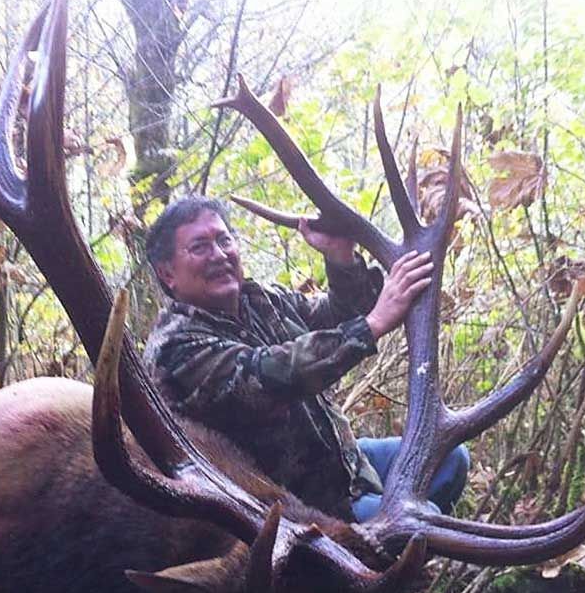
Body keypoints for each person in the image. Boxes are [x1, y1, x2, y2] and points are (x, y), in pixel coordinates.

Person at [142, 195, 468, 521]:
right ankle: (365, 558)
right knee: (422, 522)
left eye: (224, 239)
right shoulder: (174, 347)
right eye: (200, 247)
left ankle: (389, 551)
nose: (220, 254)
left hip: (344, 466)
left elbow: (337, 314)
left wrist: (341, 260)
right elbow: (268, 375)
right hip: (293, 511)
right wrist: (372, 326)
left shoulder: (261, 300)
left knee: (452, 459)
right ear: (168, 273)